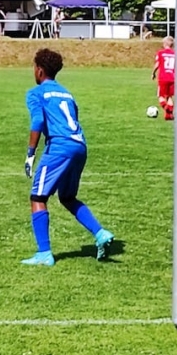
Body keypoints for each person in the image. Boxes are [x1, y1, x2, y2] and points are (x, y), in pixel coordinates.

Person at [22, 48, 114, 266]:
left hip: (60, 147)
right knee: (67, 197)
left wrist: (31, 153)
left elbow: (38, 121)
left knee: (38, 198)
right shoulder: (66, 93)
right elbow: (75, 116)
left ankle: (44, 253)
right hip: (80, 145)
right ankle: (100, 233)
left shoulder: (36, 93)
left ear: (40, 70)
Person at [152, 37, 176, 120]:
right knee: (169, 96)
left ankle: (167, 109)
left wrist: (153, 73)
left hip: (163, 78)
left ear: (165, 44)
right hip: (172, 78)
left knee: (161, 96)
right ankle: (168, 116)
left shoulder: (161, 53)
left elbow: (157, 64)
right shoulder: (175, 54)